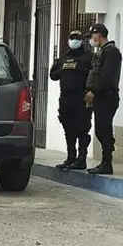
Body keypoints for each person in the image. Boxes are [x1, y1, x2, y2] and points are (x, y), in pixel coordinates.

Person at [50, 30, 94, 170]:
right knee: (68, 128)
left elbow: (95, 75)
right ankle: (70, 157)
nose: (74, 40)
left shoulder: (89, 57)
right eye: (72, 38)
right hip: (65, 98)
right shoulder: (64, 57)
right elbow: (53, 75)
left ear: (82, 40)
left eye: (77, 38)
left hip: (82, 97)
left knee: (82, 128)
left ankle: (81, 159)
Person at [85, 23, 122, 175]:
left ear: (98, 34)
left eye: (92, 36)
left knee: (103, 130)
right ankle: (105, 161)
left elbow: (106, 77)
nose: (91, 39)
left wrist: (93, 91)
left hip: (107, 97)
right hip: (101, 97)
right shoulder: (102, 52)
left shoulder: (111, 52)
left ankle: (107, 163)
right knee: (101, 130)